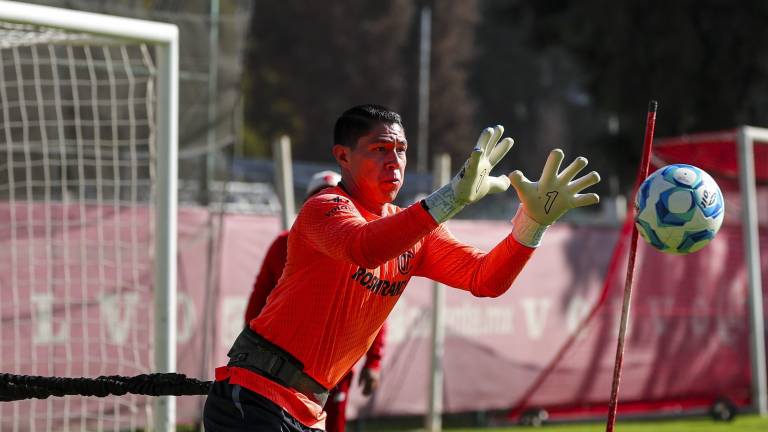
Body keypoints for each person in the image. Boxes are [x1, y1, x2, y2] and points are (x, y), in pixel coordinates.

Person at [203, 104, 601, 431]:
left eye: (401, 149)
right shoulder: (324, 207)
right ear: (343, 156)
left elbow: (486, 279)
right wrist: (450, 199)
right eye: (379, 148)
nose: (394, 161)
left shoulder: (416, 231)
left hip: (306, 410)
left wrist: (532, 224)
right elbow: (364, 248)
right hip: (255, 399)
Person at [242, 170, 385, 432]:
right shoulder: (282, 245)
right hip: (284, 364)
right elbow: (258, 299)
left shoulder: (359, 248)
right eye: (320, 197)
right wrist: (251, 351)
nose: (328, 204)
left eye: (335, 198)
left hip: (335, 369)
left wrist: (374, 361)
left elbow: (374, 307)